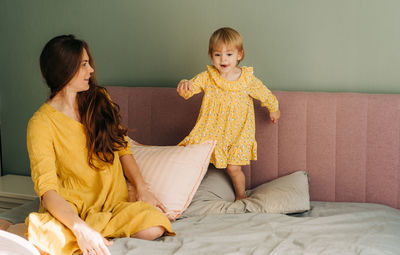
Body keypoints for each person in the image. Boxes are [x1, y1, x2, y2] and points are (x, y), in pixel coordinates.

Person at [25, 35, 174, 255]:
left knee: (154, 226)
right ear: (65, 68)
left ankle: (83, 233)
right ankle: (18, 229)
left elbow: (122, 148)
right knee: (52, 236)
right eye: (84, 64)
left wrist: (141, 187)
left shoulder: (99, 99)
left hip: (114, 206)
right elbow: (47, 191)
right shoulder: (40, 123)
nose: (91, 70)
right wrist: (79, 227)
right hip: (72, 211)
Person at [177, 27, 280, 201]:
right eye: (218, 55)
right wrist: (184, 84)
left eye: (229, 55)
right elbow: (189, 90)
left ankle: (241, 195)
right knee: (192, 158)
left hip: (238, 133)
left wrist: (274, 108)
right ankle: (181, 195)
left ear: (239, 55)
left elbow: (264, 93)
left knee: (233, 168)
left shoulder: (247, 79)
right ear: (211, 56)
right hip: (212, 128)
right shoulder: (208, 77)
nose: (223, 59)